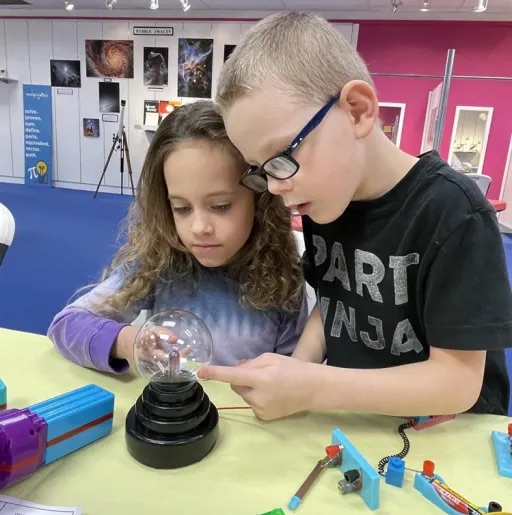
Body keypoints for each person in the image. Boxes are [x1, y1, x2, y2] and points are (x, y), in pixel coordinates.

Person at [197, 12, 512, 420]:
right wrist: (299, 367)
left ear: (358, 111)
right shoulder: (323, 197)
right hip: (362, 422)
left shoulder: (452, 211)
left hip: (448, 439)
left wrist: (312, 386)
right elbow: (333, 303)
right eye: (262, 169)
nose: (274, 186)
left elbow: (458, 382)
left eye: (282, 157)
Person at [47, 100, 308, 375]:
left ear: (260, 199)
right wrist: (128, 342)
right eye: (181, 208)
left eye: (220, 206)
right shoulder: (160, 262)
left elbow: (293, 368)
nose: (199, 227)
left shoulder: (283, 277)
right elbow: (66, 325)